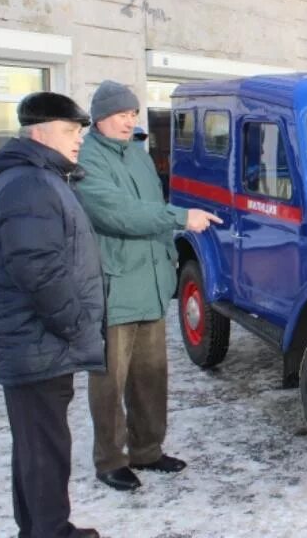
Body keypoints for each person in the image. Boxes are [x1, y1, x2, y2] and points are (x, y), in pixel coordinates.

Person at [76, 80, 221, 492]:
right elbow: (118, 214)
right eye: (121, 114)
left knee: (150, 376)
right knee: (109, 380)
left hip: (151, 283)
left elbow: (151, 206)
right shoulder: (87, 159)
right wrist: (179, 219)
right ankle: (110, 459)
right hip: (115, 285)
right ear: (100, 117)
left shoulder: (137, 156)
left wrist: (168, 255)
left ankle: (147, 449)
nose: (129, 121)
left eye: (133, 114)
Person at [0, 92, 104, 538]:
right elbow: (39, 269)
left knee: (36, 447)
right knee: (46, 449)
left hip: (36, 342)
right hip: (38, 342)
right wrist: (73, 325)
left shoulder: (36, 179)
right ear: (38, 132)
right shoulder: (30, 184)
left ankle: (42, 528)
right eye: (70, 131)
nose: (78, 140)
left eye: (80, 132)